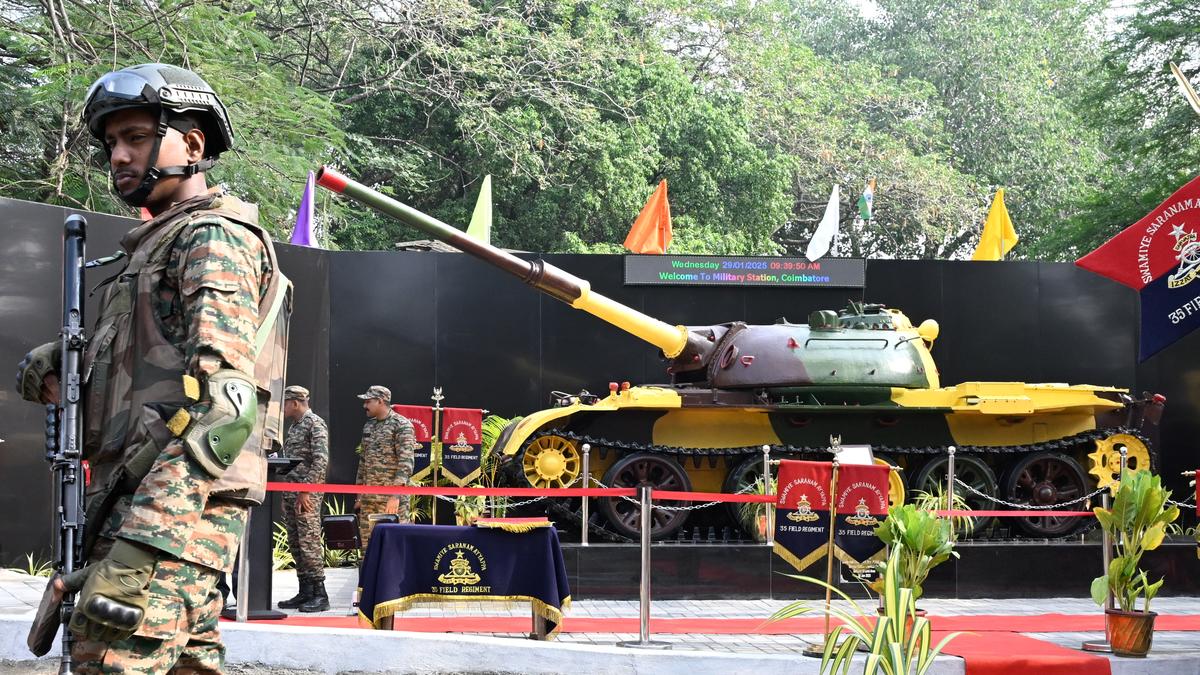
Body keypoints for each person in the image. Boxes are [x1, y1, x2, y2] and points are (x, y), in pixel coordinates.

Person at [15, 62, 290, 673]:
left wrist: (137, 554)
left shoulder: (212, 237)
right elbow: (157, 373)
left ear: (190, 145)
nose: (119, 155)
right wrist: (65, 363)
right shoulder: (158, 245)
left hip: (169, 520)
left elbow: (229, 409)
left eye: (137, 137)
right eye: (112, 142)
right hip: (146, 503)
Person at [277, 385, 330, 613]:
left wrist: (305, 490)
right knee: (296, 543)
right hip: (292, 493)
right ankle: (305, 591)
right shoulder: (295, 426)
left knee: (308, 543)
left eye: (285, 402)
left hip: (307, 495)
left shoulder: (314, 424)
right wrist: (288, 493)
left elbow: (320, 461)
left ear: (295, 403)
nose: (283, 407)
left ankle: (320, 595)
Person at [354, 385, 416, 548]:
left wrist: (395, 495)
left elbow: (406, 462)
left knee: (394, 546)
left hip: (391, 501)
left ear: (380, 401)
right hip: (368, 499)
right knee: (368, 547)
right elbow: (363, 462)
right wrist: (359, 495)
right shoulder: (369, 426)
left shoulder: (402, 425)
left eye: (368, 401)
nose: (364, 406)